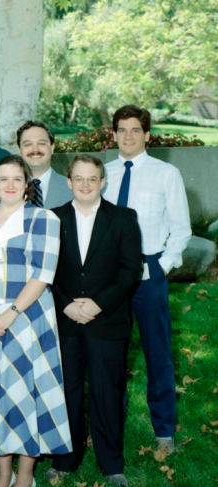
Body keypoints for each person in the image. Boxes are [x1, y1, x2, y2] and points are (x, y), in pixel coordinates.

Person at [0, 155, 71, 487]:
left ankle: (25, 475)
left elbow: (42, 274)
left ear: (27, 186)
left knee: (25, 392)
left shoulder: (43, 219)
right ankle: (3, 471)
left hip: (26, 316)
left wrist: (9, 313)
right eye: (3, 178)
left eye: (17, 179)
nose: (9, 184)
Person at [48, 155, 142, 487]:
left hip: (107, 321)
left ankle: (111, 463)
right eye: (79, 178)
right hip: (67, 320)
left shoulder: (122, 218)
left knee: (106, 391)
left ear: (102, 181)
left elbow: (130, 271)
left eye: (92, 178)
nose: (85, 184)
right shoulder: (53, 218)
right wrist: (66, 305)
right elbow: (45, 272)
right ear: (69, 181)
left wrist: (99, 304)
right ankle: (64, 460)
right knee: (67, 390)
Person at [103, 105, 191, 455]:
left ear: (147, 135)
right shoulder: (103, 174)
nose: (128, 136)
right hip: (109, 278)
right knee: (110, 354)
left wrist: (163, 265)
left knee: (158, 353)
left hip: (149, 274)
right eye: (122, 129)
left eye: (135, 130)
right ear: (113, 135)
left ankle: (164, 430)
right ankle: (112, 426)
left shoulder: (165, 173)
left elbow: (181, 228)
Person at [16, 120, 73, 209]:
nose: (35, 149)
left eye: (42, 143)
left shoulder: (72, 189)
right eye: (28, 144)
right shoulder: (9, 189)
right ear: (20, 150)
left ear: (52, 148)